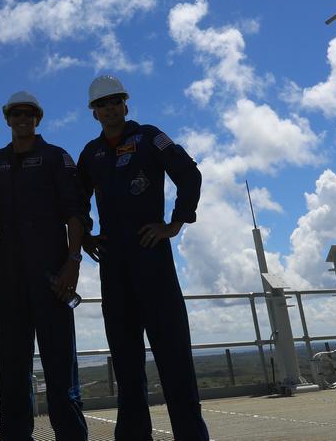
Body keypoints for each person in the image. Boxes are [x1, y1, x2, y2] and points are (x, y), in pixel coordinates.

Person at [77, 75, 209, 441]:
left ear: (125, 104)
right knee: (125, 360)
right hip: (114, 267)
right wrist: (86, 233)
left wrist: (175, 224)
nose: (110, 108)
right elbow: (75, 200)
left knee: (174, 356)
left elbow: (188, 174)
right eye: (102, 104)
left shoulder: (150, 137)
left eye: (116, 101)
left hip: (153, 260)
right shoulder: (90, 153)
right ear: (94, 112)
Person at [0, 90, 89, 441]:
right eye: (16, 114)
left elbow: (75, 214)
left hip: (52, 277)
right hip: (10, 280)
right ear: (8, 119)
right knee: (13, 373)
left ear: (37, 118)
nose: (22, 119)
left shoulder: (56, 158)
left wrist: (73, 263)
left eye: (28, 114)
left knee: (61, 370)